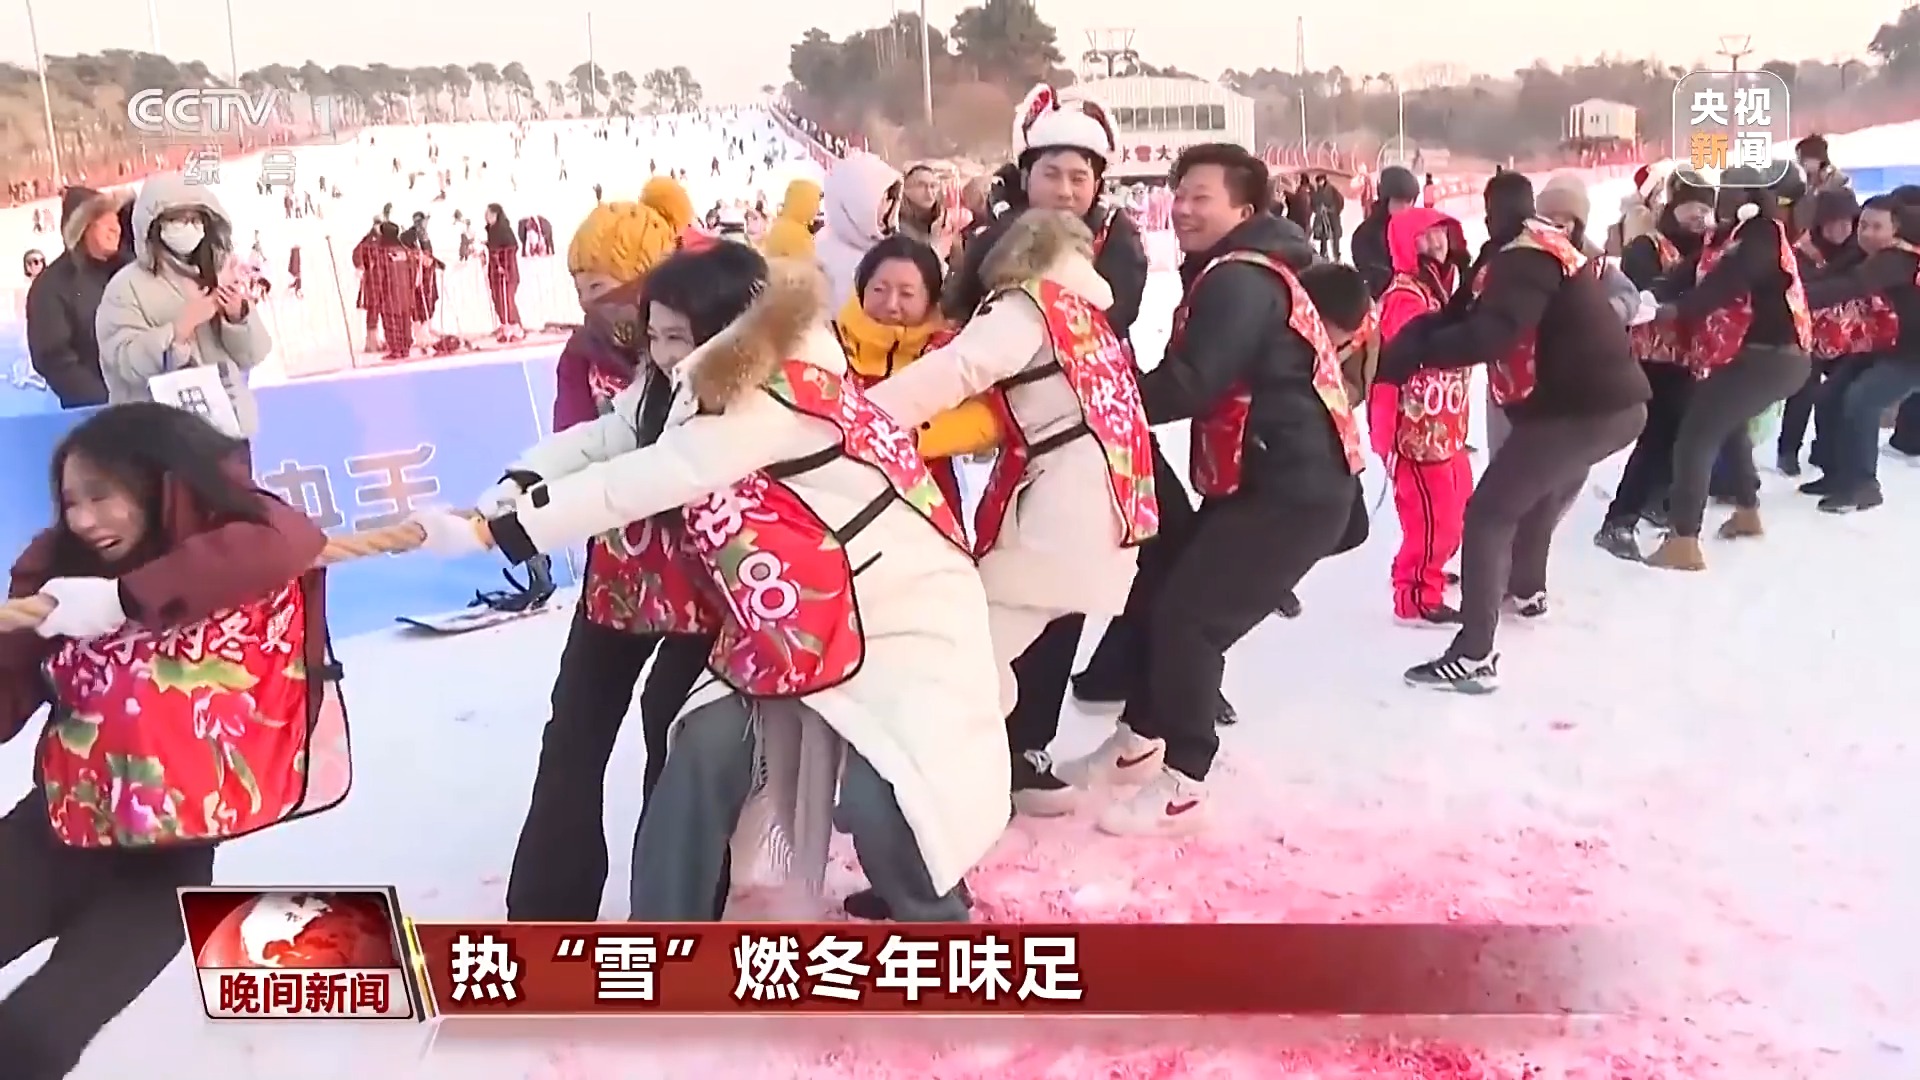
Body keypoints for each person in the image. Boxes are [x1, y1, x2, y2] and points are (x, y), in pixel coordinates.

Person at [411, 255, 1006, 924]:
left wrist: (504, 531)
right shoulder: (688, 378)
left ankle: (937, 919)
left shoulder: (769, 395)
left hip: (887, 605)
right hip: (783, 604)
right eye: (653, 335)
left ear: (728, 328)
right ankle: (665, 935)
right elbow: (608, 437)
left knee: (893, 793)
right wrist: (521, 480)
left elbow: (651, 476)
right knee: (694, 746)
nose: (662, 354)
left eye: (677, 337)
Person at [0, 402, 344, 1079]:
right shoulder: (54, 571)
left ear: (162, 485)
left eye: (102, 495)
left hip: (163, 872)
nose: (83, 519)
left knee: (33, 1036)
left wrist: (126, 599)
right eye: (70, 501)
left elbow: (288, 536)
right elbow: (8, 686)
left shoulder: (247, 542)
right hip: (53, 833)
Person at [1063, 144, 1372, 834]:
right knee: (1167, 593)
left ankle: (1186, 780)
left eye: (1201, 197)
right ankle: (1139, 742)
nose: (1183, 209)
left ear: (1244, 208)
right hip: (1263, 478)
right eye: (1179, 195)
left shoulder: (1240, 279)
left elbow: (1191, 382)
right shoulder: (1236, 270)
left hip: (1293, 491)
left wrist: (1094, 400)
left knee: (1190, 619)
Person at [933, 83, 1165, 808]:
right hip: (1022, 435)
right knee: (1022, 601)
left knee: (1074, 593)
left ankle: (1066, 718)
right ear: (1025, 174)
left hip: (1095, 433)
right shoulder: (992, 244)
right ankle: (996, 745)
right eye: (1052, 174)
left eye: (1080, 177)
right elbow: (959, 324)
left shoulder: (1113, 244)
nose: (1066, 190)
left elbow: (1109, 317)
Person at [1384, 170, 1649, 691]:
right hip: (1597, 404)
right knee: (1535, 493)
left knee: (1489, 512)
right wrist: (1414, 337)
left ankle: (1474, 655)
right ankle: (1526, 587)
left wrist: (1416, 354)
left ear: (1494, 214)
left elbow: (1491, 335)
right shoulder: (1517, 248)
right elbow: (1463, 311)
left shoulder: (1525, 258)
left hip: (1586, 408)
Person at [1642, 166, 1813, 570]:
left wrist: (1674, 311)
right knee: (1728, 427)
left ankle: (1683, 540)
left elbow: (1727, 283)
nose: (1722, 200)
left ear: (1751, 196)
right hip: (1751, 357)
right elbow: (1684, 273)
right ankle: (1747, 511)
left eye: (1731, 192)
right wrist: (1649, 295)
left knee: (1695, 437)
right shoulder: (1727, 237)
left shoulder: (1762, 234)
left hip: (1774, 357)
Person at [95, 174, 273, 446]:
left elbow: (254, 354)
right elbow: (123, 362)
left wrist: (237, 317)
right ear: (153, 225)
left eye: (195, 219)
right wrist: (178, 331)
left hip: (226, 428)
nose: (189, 227)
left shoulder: (216, 272)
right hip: (160, 439)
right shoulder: (125, 287)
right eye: (177, 219)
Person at [1595, 174, 1716, 560]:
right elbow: (1646, 290)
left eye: (1705, 208)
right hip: (1653, 357)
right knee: (1659, 434)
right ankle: (1619, 519)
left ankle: (1652, 500)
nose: (1698, 215)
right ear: (1672, 208)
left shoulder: (1711, 249)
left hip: (1691, 357)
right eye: (1690, 206)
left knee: (1677, 434)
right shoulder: (1646, 246)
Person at [832, 234, 999, 509]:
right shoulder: (832, 343)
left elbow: (989, 418)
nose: (891, 304)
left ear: (930, 299)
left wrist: (918, 436)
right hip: (843, 493)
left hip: (926, 493)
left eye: (907, 294)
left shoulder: (950, 351)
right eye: (879, 289)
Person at [1367, 206, 1472, 626]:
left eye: (1440, 234)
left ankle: (1430, 568)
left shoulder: (1441, 289)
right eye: (1423, 237)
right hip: (1415, 432)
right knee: (1431, 519)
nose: (1435, 244)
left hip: (1444, 428)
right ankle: (1414, 596)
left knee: (1456, 509)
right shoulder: (1405, 297)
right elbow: (1417, 351)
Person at [1795, 198, 1920, 513]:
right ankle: (1836, 475)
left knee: (1863, 399)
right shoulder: (1864, 252)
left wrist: (1792, 300)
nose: (1867, 233)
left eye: (1877, 227)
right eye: (1863, 225)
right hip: (1883, 345)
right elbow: (1829, 277)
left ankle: (1863, 486)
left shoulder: (1896, 258)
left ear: (1895, 230)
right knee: (1829, 396)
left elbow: (1851, 285)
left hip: (1912, 354)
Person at [1776, 188, 1869, 479]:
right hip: (1811, 334)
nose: (1840, 228)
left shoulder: (1862, 251)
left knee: (1837, 396)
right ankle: (1788, 450)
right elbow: (1798, 291)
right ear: (1820, 223)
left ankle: (1825, 449)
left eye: (1846, 221)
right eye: (1832, 222)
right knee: (1803, 392)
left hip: (1849, 334)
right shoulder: (1801, 250)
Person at [27, 187, 130, 408]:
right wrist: (107, 401)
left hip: (149, 400)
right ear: (83, 228)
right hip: (96, 412)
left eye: (116, 220)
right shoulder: (51, 286)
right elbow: (54, 359)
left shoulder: (130, 270)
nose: (115, 229)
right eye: (104, 222)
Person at [816, 151, 903, 312]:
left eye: (892, 198)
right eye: (883, 199)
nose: (889, 206)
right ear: (857, 204)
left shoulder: (893, 248)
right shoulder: (827, 259)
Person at [1352, 165, 1421, 299]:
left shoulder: (1418, 232)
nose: (1405, 207)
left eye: (1409, 201)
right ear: (1385, 201)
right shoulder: (1366, 235)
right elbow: (1375, 278)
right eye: (1399, 201)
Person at [483, 203, 526, 342]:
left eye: (488, 214)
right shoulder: (492, 231)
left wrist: (502, 265)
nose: (486, 217)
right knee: (499, 299)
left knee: (506, 299)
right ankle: (506, 326)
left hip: (506, 272)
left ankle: (516, 327)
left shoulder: (503, 230)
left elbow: (510, 249)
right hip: (496, 271)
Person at [760, 178, 823, 260]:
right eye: (814, 201)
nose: (818, 207)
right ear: (802, 202)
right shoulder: (795, 232)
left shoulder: (780, 225)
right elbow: (808, 263)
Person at [1310, 174, 1346, 261]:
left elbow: (1339, 201)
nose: (1319, 183)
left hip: (1332, 216)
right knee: (1324, 235)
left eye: (1320, 181)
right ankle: (1324, 254)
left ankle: (1336, 254)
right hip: (1323, 217)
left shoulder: (1332, 190)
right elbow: (1315, 203)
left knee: (1334, 235)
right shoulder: (1319, 191)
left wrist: (1331, 210)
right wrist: (1319, 209)